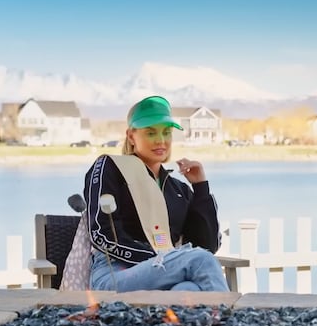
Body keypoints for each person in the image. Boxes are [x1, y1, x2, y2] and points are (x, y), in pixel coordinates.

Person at [83, 95, 229, 292]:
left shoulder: (177, 189)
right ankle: (233, 321)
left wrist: (201, 188)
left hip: (163, 270)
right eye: (151, 133)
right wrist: (160, 258)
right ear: (131, 136)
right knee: (200, 261)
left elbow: (207, 246)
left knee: (188, 290)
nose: (161, 141)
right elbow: (102, 234)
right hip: (115, 273)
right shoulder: (111, 168)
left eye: (166, 133)